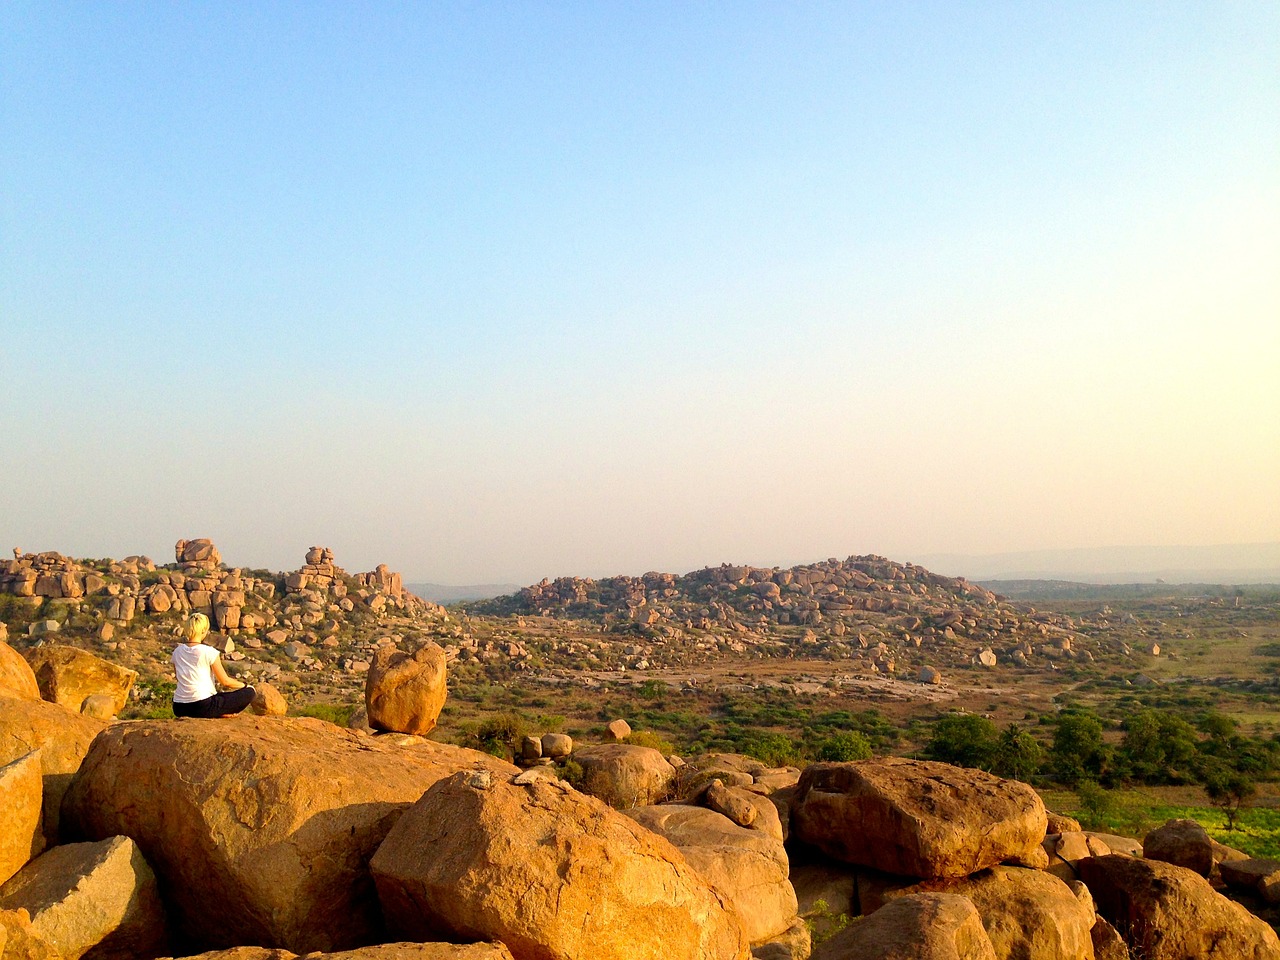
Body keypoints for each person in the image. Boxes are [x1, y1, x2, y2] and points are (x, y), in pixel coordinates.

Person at [171, 613, 255, 718]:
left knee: (218, 696)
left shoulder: (177, 652)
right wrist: (245, 686)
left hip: (179, 707)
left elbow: (179, 678)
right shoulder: (208, 651)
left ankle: (219, 711)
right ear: (203, 630)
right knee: (250, 692)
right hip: (202, 706)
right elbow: (225, 681)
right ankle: (220, 712)